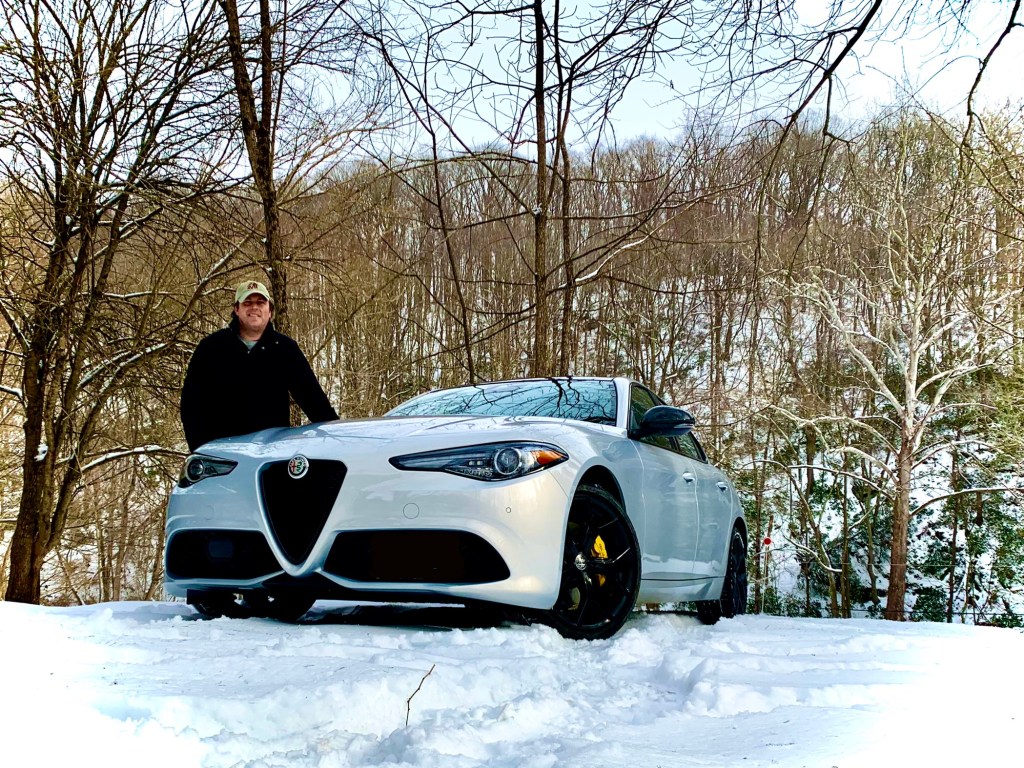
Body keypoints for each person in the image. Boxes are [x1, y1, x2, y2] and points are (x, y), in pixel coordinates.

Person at [180, 279, 339, 452]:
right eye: (247, 302)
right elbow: (191, 404)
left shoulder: (285, 349)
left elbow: (313, 400)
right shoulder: (212, 348)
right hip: (223, 451)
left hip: (272, 452)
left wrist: (337, 438)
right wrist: (201, 449)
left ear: (270, 311)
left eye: (260, 302)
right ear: (237, 309)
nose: (254, 307)